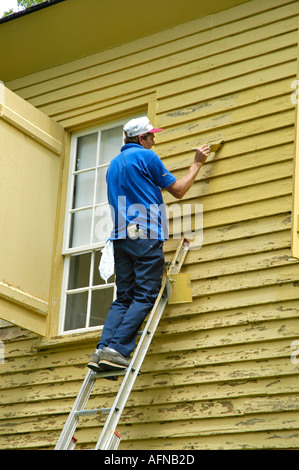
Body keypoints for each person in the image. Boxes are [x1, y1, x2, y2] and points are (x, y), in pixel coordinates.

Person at [87, 116, 211, 374]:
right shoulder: (146, 157)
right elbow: (178, 190)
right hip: (144, 234)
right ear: (141, 139)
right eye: (152, 136)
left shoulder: (113, 166)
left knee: (124, 298)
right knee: (144, 296)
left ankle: (102, 349)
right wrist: (196, 164)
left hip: (121, 238)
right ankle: (118, 349)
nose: (154, 140)